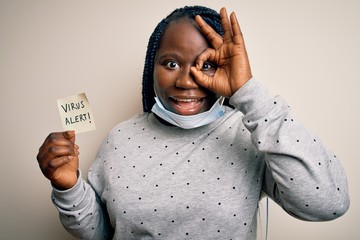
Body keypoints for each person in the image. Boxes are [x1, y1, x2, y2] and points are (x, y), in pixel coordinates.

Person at [36, 5, 350, 240]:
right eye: (171, 63)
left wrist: (248, 91)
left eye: (207, 65)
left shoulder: (249, 133)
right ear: (152, 68)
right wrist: (68, 187)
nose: (187, 81)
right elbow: (102, 232)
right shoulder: (121, 138)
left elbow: (328, 203)